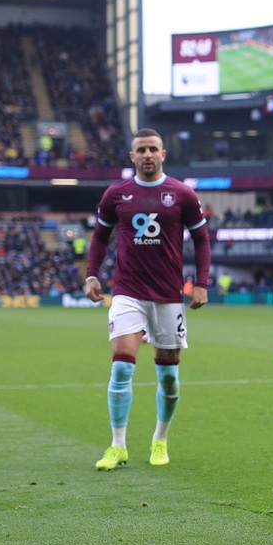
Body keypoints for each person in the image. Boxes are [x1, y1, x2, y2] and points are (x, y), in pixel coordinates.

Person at [85, 128, 212, 471]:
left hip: (169, 297)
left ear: (163, 154)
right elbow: (100, 236)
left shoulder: (182, 194)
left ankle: (160, 439)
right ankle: (117, 445)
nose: (147, 155)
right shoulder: (117, 194)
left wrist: (201, 283)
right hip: (127, 292)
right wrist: (92, 273)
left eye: (153, 149)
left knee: (168, 377)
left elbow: (201, 240)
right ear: (132, 156)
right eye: (140, 150)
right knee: (122, 366)